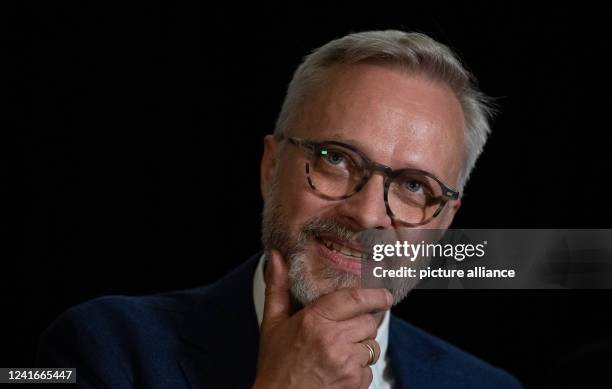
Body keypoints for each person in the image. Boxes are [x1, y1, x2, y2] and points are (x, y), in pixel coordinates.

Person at [37, 30, 523, 388]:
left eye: (415, 187)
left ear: (444, 222)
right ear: (272, 166)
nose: (368, 213)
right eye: (336, 159)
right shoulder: (103, 348)